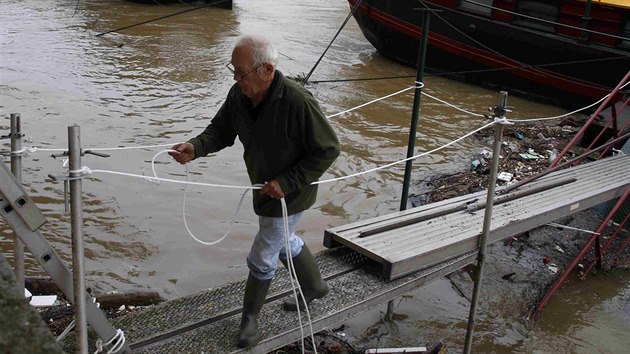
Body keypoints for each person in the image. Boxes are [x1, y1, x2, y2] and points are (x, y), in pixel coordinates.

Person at [169, 34, 340, 348]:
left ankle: (250, 319)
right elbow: (220, 130)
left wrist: (287, 182)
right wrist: (195, 147)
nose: (235, 79)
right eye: (232, 70)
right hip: (263, 188)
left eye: (241, 73)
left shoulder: (298, 101)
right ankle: (314, 287)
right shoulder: (239, 95)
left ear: (268, 71)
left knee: (263, 253)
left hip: (292, 193)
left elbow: (328, 149)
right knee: (283, 240)